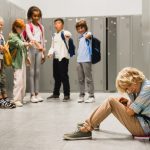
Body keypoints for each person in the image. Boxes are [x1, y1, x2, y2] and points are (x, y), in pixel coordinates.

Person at [63, 67, 150, 140]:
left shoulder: (147, 89)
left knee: (111, 101)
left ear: (134, 79)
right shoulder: (137, 86)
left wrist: (126, 105)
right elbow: (133, 107)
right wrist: (125, 103)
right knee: (116, 100)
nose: (128, 91)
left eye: (128, 87)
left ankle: (86, 129)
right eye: (126, 89)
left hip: (144, 127)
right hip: (141, 120)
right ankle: (93, 122)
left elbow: (130, 112)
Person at [8, 19, 32, 107]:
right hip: (17, 62)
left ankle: (21, 98)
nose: (22, 30)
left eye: (23, 29)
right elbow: (20, 44)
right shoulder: (13, 36)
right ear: (16, 27)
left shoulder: (19, 35)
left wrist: (27, 58)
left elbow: (23, 48)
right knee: (18, 81)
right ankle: (16, 99)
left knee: (23, 81)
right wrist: (27, 43)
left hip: (22, 61)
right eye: (21, 28)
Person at [47, 18, 72, 102]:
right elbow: (52, 46)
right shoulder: (54, 35)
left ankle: (66, 95)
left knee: (64, 76)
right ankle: (56, 93)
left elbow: (69, 34)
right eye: (55, 23)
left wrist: (67, 35)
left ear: (62, 25)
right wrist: (50, 53)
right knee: (56, 76)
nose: (56, 25)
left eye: (58, 23)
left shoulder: (64, 33)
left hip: (63, 57)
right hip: (56, 58)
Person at [25, 6, 46, 103]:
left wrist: (43, 53)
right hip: (32, 49)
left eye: (38, 16)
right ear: (31, 16)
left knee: (37, 72)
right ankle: (32, 95)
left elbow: (43, 40)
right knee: (32, 72)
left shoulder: (42, 27)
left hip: (39, 50)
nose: (36, 18)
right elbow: (31, 38)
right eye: (34, 16)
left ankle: (37, 93)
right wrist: (39, 46)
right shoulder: (28, 26)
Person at [76, 20, 95, 103]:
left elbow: (90, 35)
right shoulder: (80, 37)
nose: (80, 30)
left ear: (85, 28)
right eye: (78, 28)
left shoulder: (88, 34)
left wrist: (88, 35)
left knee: (88, 78)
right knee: (80, 79)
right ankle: (81, 95)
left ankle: (91, 96)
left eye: (82, 28)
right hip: (79, 60)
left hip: (86, 60)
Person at [0, 16, 16, 109]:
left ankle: (5, 98)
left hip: (1, 59)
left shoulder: (1, 35)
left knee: (2, 79)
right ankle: (1, 100)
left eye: (2, 25)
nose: (1, 26)